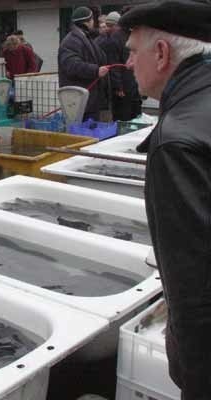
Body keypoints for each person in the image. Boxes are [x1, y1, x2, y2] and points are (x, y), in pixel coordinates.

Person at [119, 1, 211, 399]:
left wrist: (196, 381)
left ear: (161, 54)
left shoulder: (175, 143)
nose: (126, 62)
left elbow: (194, 292)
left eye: (132, 50)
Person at [58, 6, 109, 121]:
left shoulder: (85, 37)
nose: (93, 23)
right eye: (92, 20)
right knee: (83, 134)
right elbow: (71, 65)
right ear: (87, 21)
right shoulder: (71, 41)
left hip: (89, 99)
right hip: (80, 101)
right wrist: (96, 70)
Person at [106, 11, 142, 121]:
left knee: (136, 116)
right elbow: (114, 64)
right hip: (124, 87)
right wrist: (118, 87)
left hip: (134, 84)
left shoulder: (133, 35)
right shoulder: (116, 38)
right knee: (123, 117)